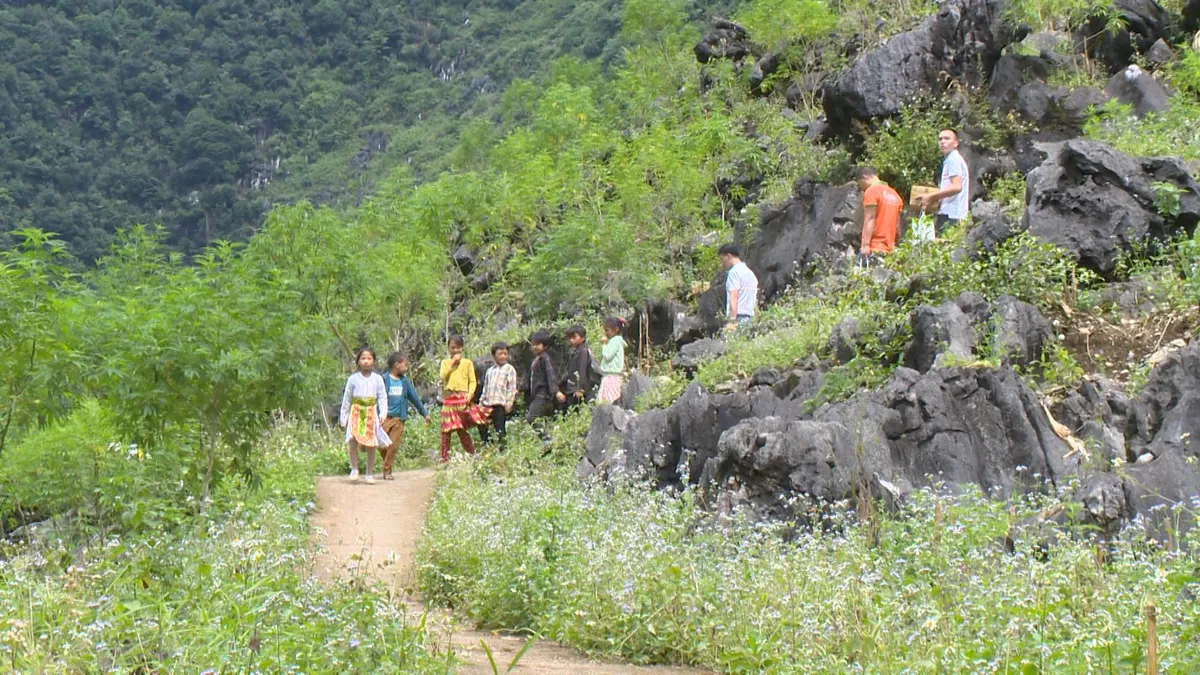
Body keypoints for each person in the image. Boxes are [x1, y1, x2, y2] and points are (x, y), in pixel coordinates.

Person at [339, 348, 390, 484]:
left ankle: (369, 473)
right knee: (352, 440)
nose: (366, 361)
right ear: (358, 361)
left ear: (373, 361)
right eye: (363, 358)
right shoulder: (353, 379)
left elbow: (382, 397)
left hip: (370, 412)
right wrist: (343, 417)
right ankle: (354, 469)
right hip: (356, 411)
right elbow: (347, 398)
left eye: (369, 358)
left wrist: (383, 413)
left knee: (371, 444)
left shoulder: (378, 379)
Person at [380, 353, 432, 480]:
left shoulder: (405, 382)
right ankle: (387, 463)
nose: (406, 367)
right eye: (405, 364)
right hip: (384, 418)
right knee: (382, 445)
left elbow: (415, 399)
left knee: (393, 445)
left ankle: (387, 471)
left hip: (399, 418)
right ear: (396, 365)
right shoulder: (384, 380)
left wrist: (425, 414)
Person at [914, 127, 969, 237]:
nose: (942, 142)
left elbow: (956, 186)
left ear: (955, 143)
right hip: (951, 213)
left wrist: (931, 196)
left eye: (947, 139)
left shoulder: (953, 159)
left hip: (951, 215)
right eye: (940, 139)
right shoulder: (951, 159)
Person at [439, 335, 485, 463]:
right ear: (448, 348)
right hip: (448, 399)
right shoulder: (445, 363)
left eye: (458, 348)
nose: (455, 350)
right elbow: (442, 376)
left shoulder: (467, 363)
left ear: (462, 348)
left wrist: (470, 395)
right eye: (453, 347)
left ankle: (472, 454)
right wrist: (452, 362)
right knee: (445, 430)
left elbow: (472, 381)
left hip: (462, 399)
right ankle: (444, 458)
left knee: (461, 429)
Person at [855, 166, 904, 266]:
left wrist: (865, 245)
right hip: (889, 251)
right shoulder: (895, 195)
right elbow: (897, 228)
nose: (862, 189)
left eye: (860, 184)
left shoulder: (871, 191)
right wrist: (894, 245)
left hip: (874, 248)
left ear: (865, 177)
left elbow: (870, 219)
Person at [478, 342, 518, 449]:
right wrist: (481, 402)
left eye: (505, 354)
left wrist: (509, 402)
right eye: (500, 354)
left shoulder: (509, 369)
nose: (503, 356)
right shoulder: (490, 371)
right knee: (481, 423)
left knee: (499, 427)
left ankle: (502, 449)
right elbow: (485, 388)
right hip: (487, 404)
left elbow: (512, 388)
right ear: (494, 355)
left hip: (499, 404)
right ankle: (487, 444)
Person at [718, 243, 758, 332]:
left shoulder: (733, 273)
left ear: (728, 256)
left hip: (738, 317)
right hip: (750, 318)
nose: (722, 264)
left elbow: (734, 296)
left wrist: (732, 321)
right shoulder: (750, 273)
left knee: (726, 344)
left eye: (722, 259)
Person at [556, 325, 597, 410]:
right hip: (573, 387)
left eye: (574, 337)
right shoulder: (576, 351)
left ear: (582, 337)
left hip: (579, 388)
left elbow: (582, 370)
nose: (571, 340)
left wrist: (580, 388)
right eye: (570, 338)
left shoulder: (583, 351)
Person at [526, 330, 558, 423]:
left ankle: (546, 438)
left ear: (545, 346)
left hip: (542, 393)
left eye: (537, 344)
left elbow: (550, 374)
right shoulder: (536, 359)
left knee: (531, 418)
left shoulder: (545, 358)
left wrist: (555, 391)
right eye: (533, 344)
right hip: (536, 394)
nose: (535, 347)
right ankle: (547, 436)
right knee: (542, 419)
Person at [596, 317, 627, 404]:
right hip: (613, 377)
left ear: (616, 329)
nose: (605, 333)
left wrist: (604, 345)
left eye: (607, 330)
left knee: (608, 401)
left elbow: (607, 356)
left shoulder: (615, 341)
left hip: (611, 377)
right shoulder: (617, 341)